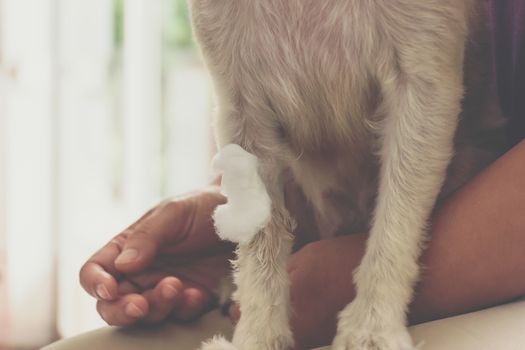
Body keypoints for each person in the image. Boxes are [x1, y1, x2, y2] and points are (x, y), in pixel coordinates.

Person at [66, 1, 525, 349]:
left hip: (473, 267)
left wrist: (370, 286)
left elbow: (429, 93)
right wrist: (238, 223)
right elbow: (247, 115)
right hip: (329, 242)